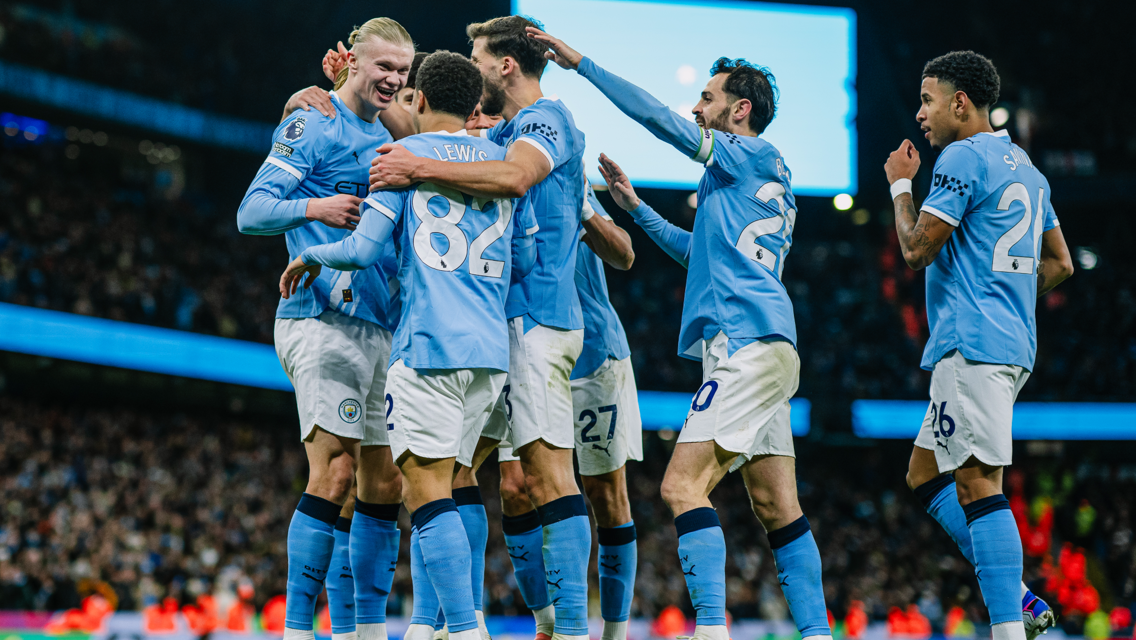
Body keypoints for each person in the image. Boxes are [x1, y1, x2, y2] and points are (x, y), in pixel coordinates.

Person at [527, 28, 832, 640]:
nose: (697, 108)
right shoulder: (752, 179)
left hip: (745, 343)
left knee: (680, 484)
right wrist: (635, 209)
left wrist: (583, 64)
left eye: (709, 98)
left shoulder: (745, 153)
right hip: (763, 343)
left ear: (739, 110)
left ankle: (711, 631)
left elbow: (658, 119)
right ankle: (817, 634)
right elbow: (700, 255)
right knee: (778, 508)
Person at [368, 16, 633, 640]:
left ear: (505, 66)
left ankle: (571, 630)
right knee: (467, 472)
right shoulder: (504, 134)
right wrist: (347, 96)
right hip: (499, 327)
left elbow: (511, 178)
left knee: (546, 474)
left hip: (540, 318)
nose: (470, 66)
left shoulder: (545, 124)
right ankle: (449, 621)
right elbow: (427, 132)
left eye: (477, 56)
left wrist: (419, 170)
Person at [279, 50, 537, 640]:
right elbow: (525, 250)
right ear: (475, 107)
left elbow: (364, 250)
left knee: (424, 492)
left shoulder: (403, 159)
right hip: (490, 353)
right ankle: (431, 626)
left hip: (427, 343)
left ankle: (466, 631)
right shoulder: (499, 159)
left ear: (417, 98)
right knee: (454, 480)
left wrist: (311, 253)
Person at [884, 51, 1073, 640]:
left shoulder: (961, 157)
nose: (921, 113)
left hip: (972, 343)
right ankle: (1016, 596)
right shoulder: (1027, 169)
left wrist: (898, 186)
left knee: (976, 483)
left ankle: (1008, 629)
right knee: (923, 473)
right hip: (1011, 343)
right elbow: (1061, 264)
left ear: (960, 102)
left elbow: (916, 251)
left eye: (927, 99)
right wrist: (1011, 286)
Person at [235, 18, 414, 640]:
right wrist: (317, 207)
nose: (392, 79)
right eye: (383, 66)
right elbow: (251, 211)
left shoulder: (390, 140)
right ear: (353, 62)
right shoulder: (311, 122)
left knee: (383, 481)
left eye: (402, 71)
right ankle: (296, 629)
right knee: (333, 473)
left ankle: (362, 631)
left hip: (381, 325)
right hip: (318, 317)